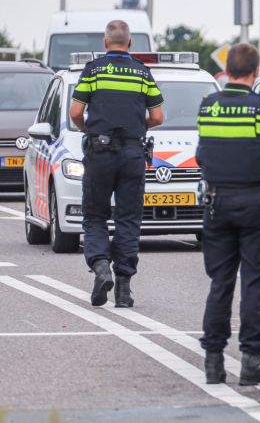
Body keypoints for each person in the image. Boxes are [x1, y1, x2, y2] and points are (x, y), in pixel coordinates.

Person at [195, 43, 260, 386]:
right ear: (256, 71)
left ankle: (213, 361)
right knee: (254, 281)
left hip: (216, 203)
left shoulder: (208, 106)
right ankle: (252, 360)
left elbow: (203, 152)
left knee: (221, 282)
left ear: (227, 71)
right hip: (256, 204)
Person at [69, 20, 164, 308]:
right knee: (128, 219)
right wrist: (137, 126)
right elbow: (158, 117)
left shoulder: (93, 70)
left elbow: (75, 112)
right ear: (130, 43)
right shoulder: (142, 72)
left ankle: (101, 268)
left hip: (99, 153)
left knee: (95, 215)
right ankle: (123, 291)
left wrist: (87, 130)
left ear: (105, 42)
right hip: (132, 155)